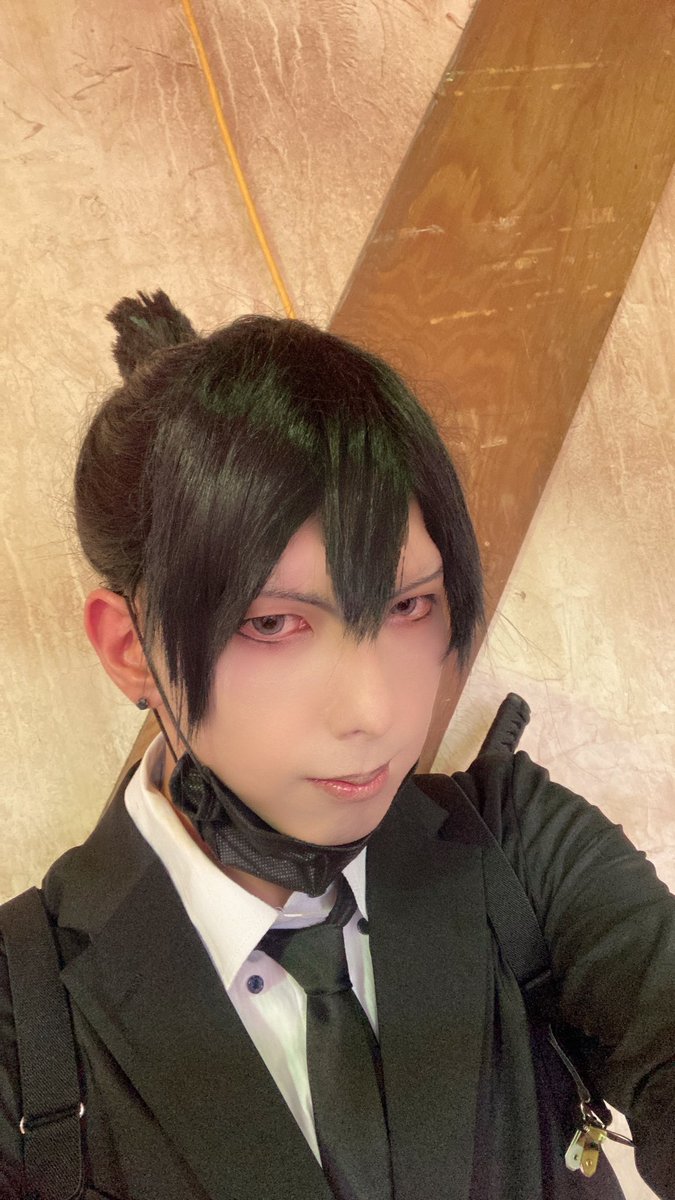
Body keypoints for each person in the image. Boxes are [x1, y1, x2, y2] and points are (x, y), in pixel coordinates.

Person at [0, 291, 673, 1200]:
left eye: (407, 605)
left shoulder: (517, 851)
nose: (375, 709)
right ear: (131, 651)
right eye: (273, 623)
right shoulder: (22, 1016)